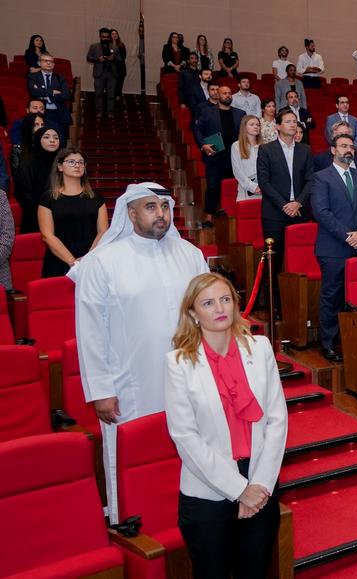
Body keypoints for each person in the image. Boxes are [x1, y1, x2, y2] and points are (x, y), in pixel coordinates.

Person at [75, 183, 210, 521]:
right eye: (150, 207)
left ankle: (197, 515)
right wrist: (101, 390)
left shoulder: (190, 255)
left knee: (194, 448)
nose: (160, 214)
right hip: (131, 382)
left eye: (164, 206)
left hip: (191, 375)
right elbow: (90, 331)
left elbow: (209, 315)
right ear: (131, 213)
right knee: (133, 456)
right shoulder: (102, 262)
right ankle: (131, 523)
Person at [164, 272, 287, 578]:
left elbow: (277, 419)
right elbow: (185, 438)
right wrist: (240, 490)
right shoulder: (179, 363)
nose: (219, 308)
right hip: (208, 489)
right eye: (208, 303)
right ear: (193, 313)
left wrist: (259, 486)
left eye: (225, 299)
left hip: (260, 479)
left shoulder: (260, 348)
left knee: (254, 572)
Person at [310, 135, 357, 361]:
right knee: (333, 296)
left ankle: (356, 342)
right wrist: (348, 236)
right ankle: (329, 343)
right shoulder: (321, 177)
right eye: (343, 146)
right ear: (333, 150)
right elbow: (321, 212)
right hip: (333, 248)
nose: (348, 150)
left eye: (351, 147)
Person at [256, 108, 313, 279]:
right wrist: (284, 205)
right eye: (288, 121)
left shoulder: (305, 150)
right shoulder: (266, 149)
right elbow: (264, 182)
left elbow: (311, 180)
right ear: (278, 126)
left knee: (300, 259)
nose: (292, 125)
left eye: (294, 121)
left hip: (299, 211)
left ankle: (296, 294)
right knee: (274, 258)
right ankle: (272, 294)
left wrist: (298, 203)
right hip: (275, 212)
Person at [37, 149, 107, 278]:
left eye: (81, 162)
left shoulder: (96, 197)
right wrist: (73, 262)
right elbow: (47, 235)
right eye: (71, 162)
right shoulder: (48, 198)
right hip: (58, 260)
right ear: (60, 167)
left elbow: (103, 231)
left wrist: (87, 259)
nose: (77, 165)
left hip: (92, 260)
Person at [194, 86, 246, 225]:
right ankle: (209, 216)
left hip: (235, 157)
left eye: (229, 93)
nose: (228, 95)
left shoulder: (240, 113)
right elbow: (197, 129)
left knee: (233, 186)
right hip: (216, 155)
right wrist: (203, 145)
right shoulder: (207, 112)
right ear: (218, 95)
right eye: (224, 93)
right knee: (213, 187)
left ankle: (230, 213)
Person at [15, 125, 61, 233]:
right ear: (37, 140)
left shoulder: (63, 165)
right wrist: (46, 214)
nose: (52, 140)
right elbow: (24, 197)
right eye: (46, 137)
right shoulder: (26, 166)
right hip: (34, 220)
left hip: (62, 219)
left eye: (56, 137)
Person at [27, 53, 73, 129]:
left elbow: (67, 95)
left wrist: (42, 93)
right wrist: (52, 92)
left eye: (51, 61)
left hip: (59, 113)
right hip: (41, 113)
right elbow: (33, 91)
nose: (48, 63)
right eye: (45, 61)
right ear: (39, 63)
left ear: (54, 64)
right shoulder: (33, 76)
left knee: (61, 134)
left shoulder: (60, 77)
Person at [86, 28, 121, 118]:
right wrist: (98, 59)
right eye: (103, 37)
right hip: (99, 74)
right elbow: (88, 58)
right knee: (98, 94)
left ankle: (110, 113)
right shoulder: (94, 46)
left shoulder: (114, 47)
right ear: (100, 37)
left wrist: (113, 58)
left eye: (107, 37)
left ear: (109, 37)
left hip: (111, 74)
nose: (105, 38)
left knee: (111, 95)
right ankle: (99, 112)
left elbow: (120, 60)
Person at [231, 116, 263, 202]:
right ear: (244, 127)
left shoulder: (264, 146)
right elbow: (237, 171)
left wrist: (264, 186)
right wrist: (253, 187)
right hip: (245, 188)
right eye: (252, 124)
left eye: (258, 125)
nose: (256, 127)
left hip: (263, 188)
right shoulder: (236, 146)